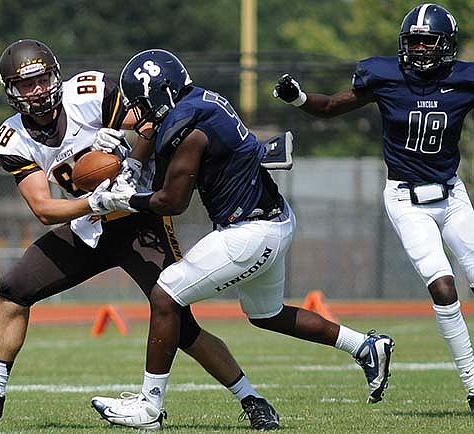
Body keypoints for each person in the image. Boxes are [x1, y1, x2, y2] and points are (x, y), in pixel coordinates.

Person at [0, 39, 278, 428]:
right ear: (10, 91)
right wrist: (95, 205)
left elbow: (156, 121)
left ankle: (252, 399)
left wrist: (129, 152)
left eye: (42, 79)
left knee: (178, 321)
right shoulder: (12, 138)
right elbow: (44, 209)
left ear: (55, 76)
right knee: (14, 288)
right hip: (89, 225)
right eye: (26, 85)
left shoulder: (90, 95)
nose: (38, 90)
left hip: (137, 220)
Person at [89, 48, 395, 431]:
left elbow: (172, 201)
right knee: (267, 314)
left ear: (160, 95)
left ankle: (149, 406)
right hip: (275, 221)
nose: (139, 114)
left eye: (141, 105)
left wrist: (118, 198)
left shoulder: (187, 129)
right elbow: (165, 152)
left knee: (165, 295)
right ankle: (364, 346)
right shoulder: (201, 100)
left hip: (249, 233)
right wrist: (128, 152)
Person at [272, 2, 474, 414]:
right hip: (406, 198)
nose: (419, 50)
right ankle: (473, 386)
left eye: (428, 42)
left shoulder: (464, 79)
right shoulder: (385, 76)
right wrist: (299, 98)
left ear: (446, 46)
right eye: (413, 42)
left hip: (452, 196)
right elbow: (330, 107)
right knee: (443, 286)